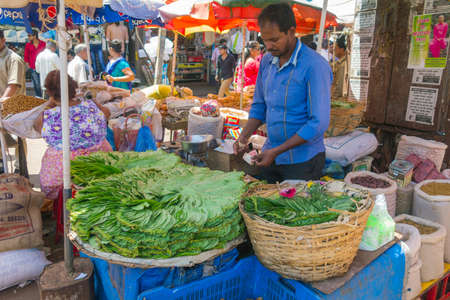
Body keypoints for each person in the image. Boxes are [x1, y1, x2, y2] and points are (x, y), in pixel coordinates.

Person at [234, 3, 332, 184]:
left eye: (275, 40)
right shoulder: (266, 62)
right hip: (271, 154)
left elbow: (318, 123)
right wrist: (243, 137)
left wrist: (277, 151)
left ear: (291, 32)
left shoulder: (314, 66)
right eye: (265, 40)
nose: (269, 46)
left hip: (304, 162)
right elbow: (260, 106)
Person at [34, 70, 112, 200]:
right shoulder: (91, 105)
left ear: (49, 92)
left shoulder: (47, 115)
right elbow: (107, 114)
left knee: (51, 184)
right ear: (73, 88)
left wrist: (49, 103)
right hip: (101, 166)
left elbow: (37, 128)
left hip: (62, 177)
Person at [0, 30, 27, 172]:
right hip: (2, 106)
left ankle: (19, 170)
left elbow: (13, 85)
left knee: (18, 140)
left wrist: (2, 102)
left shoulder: (13, 58)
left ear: (3, 40)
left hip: (15, 107)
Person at [24, 30, 45, 97]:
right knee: (36, 84)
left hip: (42, 66)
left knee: (44, 83)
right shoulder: (28, 45)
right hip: (33, 67)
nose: (28, 37)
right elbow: (26, 56)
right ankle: (39, 97)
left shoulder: (43, 44)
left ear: (35, 36)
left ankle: (46, 97)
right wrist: (28, 65)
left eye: (29, 36)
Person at [331, 35, 347, 99]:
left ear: (342, 49)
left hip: (337, 99)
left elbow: (340, 86)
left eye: (336, 47)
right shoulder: (338, 63)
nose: (333, 49)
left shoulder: (343, 64)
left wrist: (334, 97)